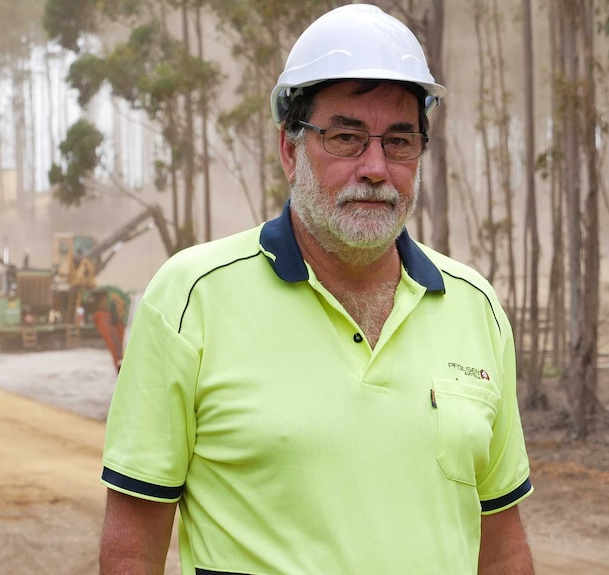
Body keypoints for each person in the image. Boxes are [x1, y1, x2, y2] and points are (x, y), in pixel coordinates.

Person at [99, 4, 534, 574]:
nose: (376, 167)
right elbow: (132, 545)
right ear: (290, 149)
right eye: (346, 137)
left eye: (399, 141)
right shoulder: (190, 298)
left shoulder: (474, 306)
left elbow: (501, 545)